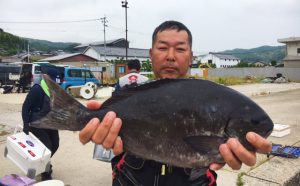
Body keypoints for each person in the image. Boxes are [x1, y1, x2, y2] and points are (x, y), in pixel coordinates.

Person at [79, 20, 272, 185]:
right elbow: (108, 145)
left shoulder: (208, 95)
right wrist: (99, 131)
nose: (170, 56)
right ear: (151, 54)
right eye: (162, 48)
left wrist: (228, 153)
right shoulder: (129, 93)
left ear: (191, 57)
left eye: (180, 49)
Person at [22, 68, 60, 181]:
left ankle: (43, 164)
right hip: (37, 124)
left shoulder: (54, 90)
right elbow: (25, 107)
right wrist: (26, 124)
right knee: (47, 147)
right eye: (53, 80)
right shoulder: (37, 89)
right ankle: (45, 172)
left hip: (51, 123)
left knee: (55, 145)